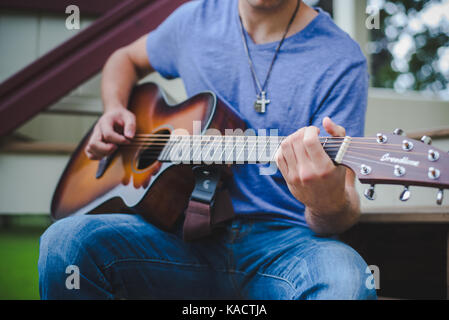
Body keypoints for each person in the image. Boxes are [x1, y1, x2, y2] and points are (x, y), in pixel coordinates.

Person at [38, 0, 376, 299]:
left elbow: (341, 209)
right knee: (66, 245)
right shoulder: (194, 20)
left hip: (287, 247)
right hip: (180, 237)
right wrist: (114, 108)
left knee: (348, 281)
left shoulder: (340, 58)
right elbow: (123, 58)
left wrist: (325, 200)